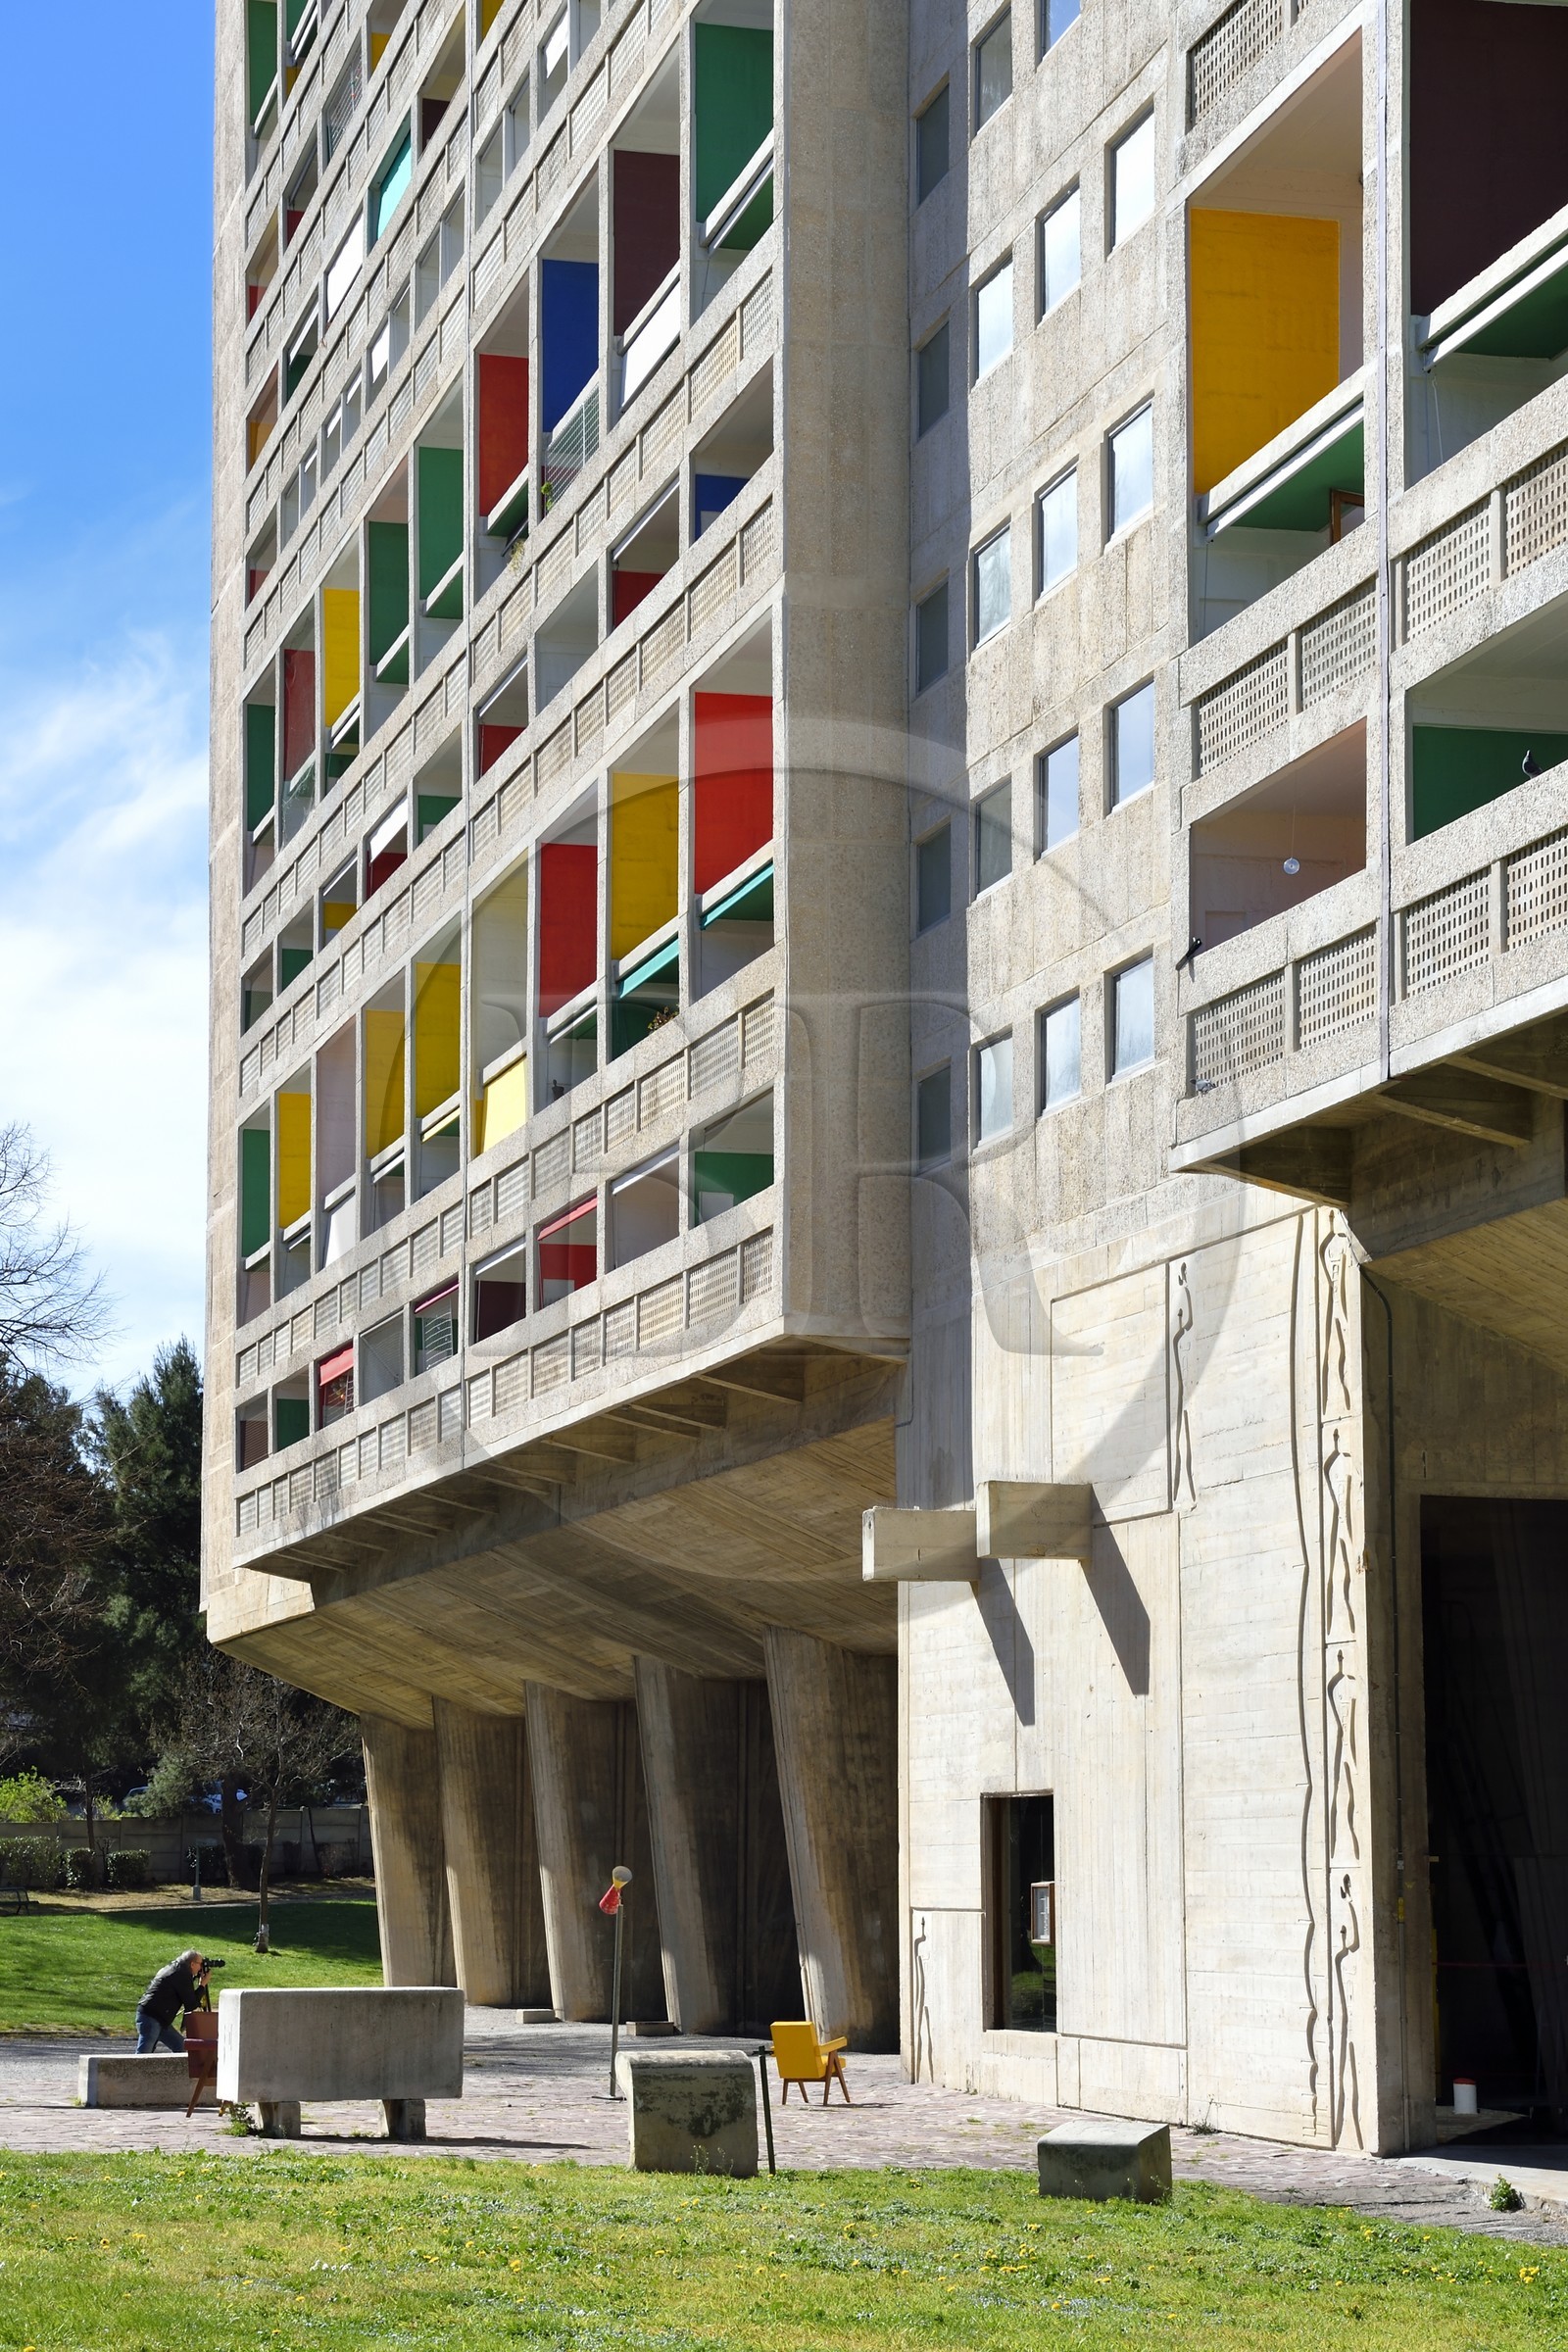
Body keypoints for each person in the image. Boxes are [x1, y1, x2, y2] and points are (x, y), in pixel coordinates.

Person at [134, 1949, 208, 2054]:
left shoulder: (175, 1969)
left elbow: (187, 1997)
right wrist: (202, 1985)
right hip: (151, 2017)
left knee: (180, 2046)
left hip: (159, 2018)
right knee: (143, 2055)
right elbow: (191, 2004)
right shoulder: (182, 1974)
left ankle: (181, 2070)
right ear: (192, 1964)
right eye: (200, 1964)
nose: (201, 1967)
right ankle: (134, 2071)